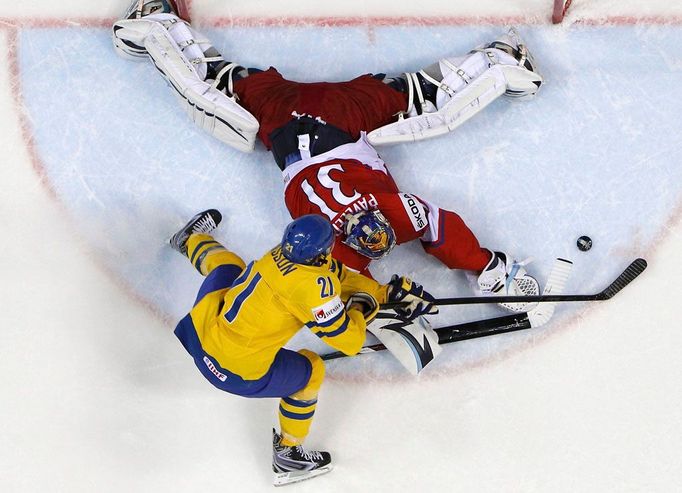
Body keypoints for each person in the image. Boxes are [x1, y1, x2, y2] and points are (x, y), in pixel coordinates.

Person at [112, 1, 542, 309]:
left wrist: (396, 306)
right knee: (224, 80)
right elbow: (437, 230)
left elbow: (419, 241)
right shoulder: (376, 224)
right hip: (293, 119)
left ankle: (156, 19)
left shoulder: (355, 241)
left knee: (417, 94)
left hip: (320, 112)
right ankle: (501, 55)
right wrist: (489, 269)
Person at [168, 208, 437, 485]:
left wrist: (383, 293)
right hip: (233, 370)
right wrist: (360, 307)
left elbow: (337, 275)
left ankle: (189, 240)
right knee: (311, 371)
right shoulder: (311, 289)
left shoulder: (282, 253)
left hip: (200, 330)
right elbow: (350, 341)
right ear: (321, 252)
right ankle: (288, 454)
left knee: (228, 268)